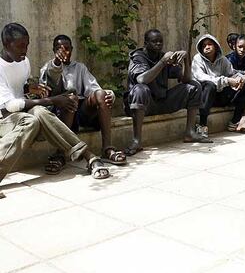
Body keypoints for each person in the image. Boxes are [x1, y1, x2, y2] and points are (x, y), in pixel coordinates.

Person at [0, 23, 110, 193]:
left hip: (22, 114)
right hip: (5, 117)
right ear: (7, 44)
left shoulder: (24, 61)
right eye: (21, 46)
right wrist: (53, 100)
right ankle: (88, 155)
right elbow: (11, 105)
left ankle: (83, 155)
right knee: (33, 118)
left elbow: (18, 90)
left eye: (27, 45)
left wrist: (30, 88)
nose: (25, 50)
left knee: (36, 114)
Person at [40, 35, 126, 172]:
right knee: (71, 98)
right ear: (53, 50)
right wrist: (57, 64)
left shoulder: (79, 68)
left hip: (81, 112)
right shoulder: (47, 68)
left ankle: (107, 148)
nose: (64, 52)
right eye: (59, 49)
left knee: (101, 94)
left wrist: (108, 94)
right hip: (61, 114)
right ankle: (60, 153)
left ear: (72, 50)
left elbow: (94, 88)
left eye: (67, 49)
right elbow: (46, 96)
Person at [124, 29, 211, 155]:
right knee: (140, 89)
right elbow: (142, 79)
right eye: (154, 41)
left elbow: (186, 79)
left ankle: (190, 132)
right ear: (145, 43)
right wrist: (162, 62)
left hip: (161, 101)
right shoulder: (138, 57)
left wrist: (186, 59)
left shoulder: (164, 56)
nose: (158, 44)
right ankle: (137, 141)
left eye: (160, 41)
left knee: (194, 86)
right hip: (142, 105)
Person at [192, 34, 245, 138]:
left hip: (220, 95)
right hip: (204, 98)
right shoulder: (197, 59)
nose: (206, 47)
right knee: (210, 85)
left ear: (216, 46)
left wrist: (239, 78)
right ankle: (202, 124)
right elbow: (201, 78)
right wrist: (227, 80)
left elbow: (231, 73)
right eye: (204, 46)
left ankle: (234, 121)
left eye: (209, 44)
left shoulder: (222, 60)